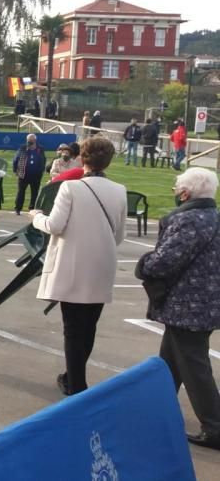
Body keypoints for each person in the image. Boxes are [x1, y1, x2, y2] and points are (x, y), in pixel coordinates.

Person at [28, 137, 126, 395]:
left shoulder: (71, 188)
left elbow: (55, 226)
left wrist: (37, 217)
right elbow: (119, 236)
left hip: (73, 264)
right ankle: (74, 375)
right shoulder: (119, 190)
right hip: (102, 264)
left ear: (82, 159)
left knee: (72, 329)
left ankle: (76, 384)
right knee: (88, 326)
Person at [136, 168, 220, 450]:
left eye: (176, 189)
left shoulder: (188, 220)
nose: (175, 193)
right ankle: (158, 410)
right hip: (206, 302)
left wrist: (144, 264)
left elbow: (164, 261)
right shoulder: (214, 218)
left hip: (187, 305)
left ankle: (215, 426)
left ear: (185, 193)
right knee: (169, 361)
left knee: (194, 367)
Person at [12, 134, 45, 215]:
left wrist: (41, 171)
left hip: (36, 175)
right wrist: (15, 169)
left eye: (31, 140)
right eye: (28, 140)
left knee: (35, 192)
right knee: (20, 192)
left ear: (35, 141)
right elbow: (16, 159)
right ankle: (18, 208)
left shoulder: (40, 149)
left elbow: (43, 160)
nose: (29, 142)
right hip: (23, 174)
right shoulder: (23, 148)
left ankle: (32, 208)